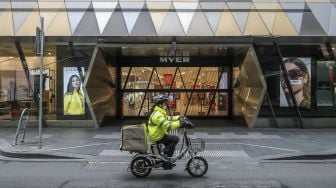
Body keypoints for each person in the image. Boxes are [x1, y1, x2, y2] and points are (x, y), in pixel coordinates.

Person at [147, 95, 182, 169]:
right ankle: (164, 154)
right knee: (175, 139)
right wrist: (180, 124)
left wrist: (179, 117)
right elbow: (167, 125)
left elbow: (168, 118)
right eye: (164, 103)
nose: (165, 105)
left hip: (159, 134)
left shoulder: (159, 112)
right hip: (157, 136)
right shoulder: (157, 115)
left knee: (172, 142)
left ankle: (166, 163)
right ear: (160, 104)